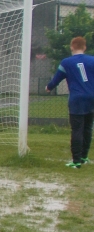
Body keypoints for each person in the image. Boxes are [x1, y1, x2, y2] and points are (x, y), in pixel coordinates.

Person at [46, 36, 94, 169]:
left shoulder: (66, 62)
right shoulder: (92, 60)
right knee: (88, 127)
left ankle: (76, 161)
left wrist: (49, 87)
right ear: (84, 47)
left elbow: (57, 79)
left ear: (71, 47)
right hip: (92, 97)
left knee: (77, 129)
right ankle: (84, 157)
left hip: (77, 98)